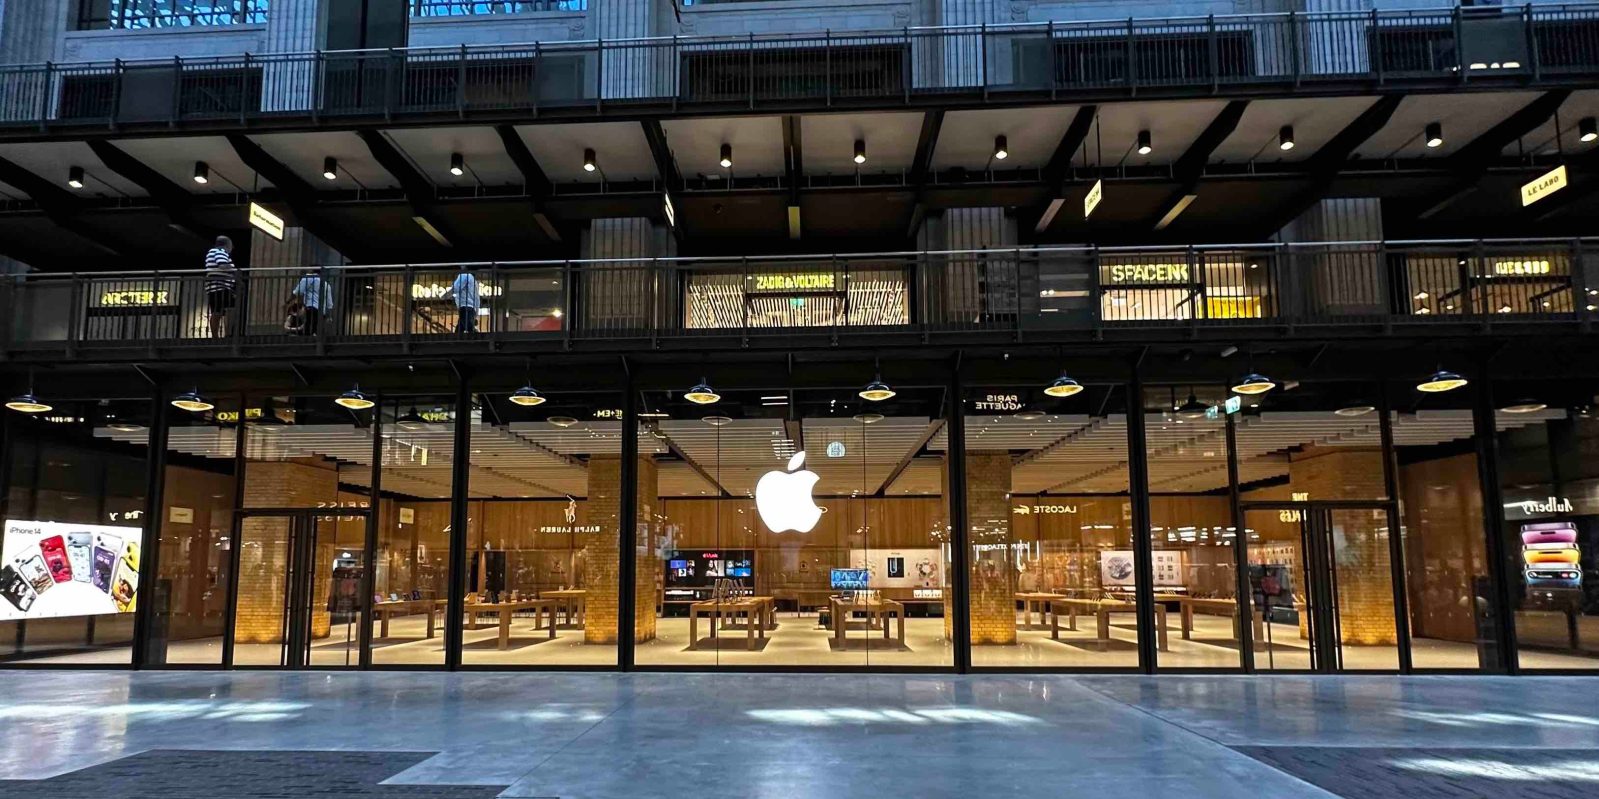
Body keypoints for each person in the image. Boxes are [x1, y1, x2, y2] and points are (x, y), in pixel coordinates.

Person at [203, 235, 238, 338]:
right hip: (220, 287)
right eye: (231, 245)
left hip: (215, 287)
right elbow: (222, 264)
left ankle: (216, 336)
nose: (232, 248)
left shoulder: (212, 252)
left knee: (217, 311)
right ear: (227, 245)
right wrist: (234, 271)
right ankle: (228, 334)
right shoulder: (220, 251)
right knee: (230, 308)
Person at [292, 268, 334, 336]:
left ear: (312, 270)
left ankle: (308, 338)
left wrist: (288, 301)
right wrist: (329, 316)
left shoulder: (309, 278)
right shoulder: (326, 284)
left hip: (311, 307)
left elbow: (298, 291)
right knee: (316, 328)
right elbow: (329, 303)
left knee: (308, 328)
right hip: (321, 311)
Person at [451, 264, 480, 334]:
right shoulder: (474, 280)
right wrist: (476, 311)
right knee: (462, 326)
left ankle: (476, 335)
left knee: (467, 326)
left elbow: (455, 288)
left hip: (465, 305)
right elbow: (477, 298)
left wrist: (444, 295)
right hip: (471, 307)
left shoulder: (464, 276)